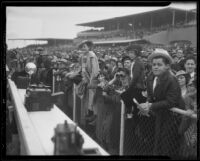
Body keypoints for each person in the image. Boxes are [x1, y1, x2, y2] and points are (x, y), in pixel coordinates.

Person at [138, 48, 185, 157]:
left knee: (167, 145)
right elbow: (151, 96)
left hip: (173, 118)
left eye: (159, 64)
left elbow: (171, 102)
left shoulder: (172, 80)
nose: (155, 67)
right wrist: (147, 105)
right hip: (160, 115)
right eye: (154, 64)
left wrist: (150, 106)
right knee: (158, 143)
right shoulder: (150, 77)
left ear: (167, 66)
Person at [78, 40, 100, 127]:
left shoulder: (92, 55)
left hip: (93, 79)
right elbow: (83, 69)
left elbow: (95, 71)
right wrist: (84, 78)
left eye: (85, 47)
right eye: (82, 47)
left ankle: (92, 116)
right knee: (86, 99)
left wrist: (91, 81)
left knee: (92, 99)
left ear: (89, 47)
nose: (83, 48)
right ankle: (87, 117)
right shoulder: (83, 56)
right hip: (87, 79)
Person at [121, 45, 146, 118]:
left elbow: (135, 78)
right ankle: (130, 113)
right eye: (129, 53)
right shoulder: (135, 62)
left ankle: (129, 113)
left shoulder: (137, 62)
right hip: (136, 87)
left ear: (136, 53)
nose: (130, 54)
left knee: (124, 95)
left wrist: (129, 88)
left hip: (138, 88)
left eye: (132, 53)